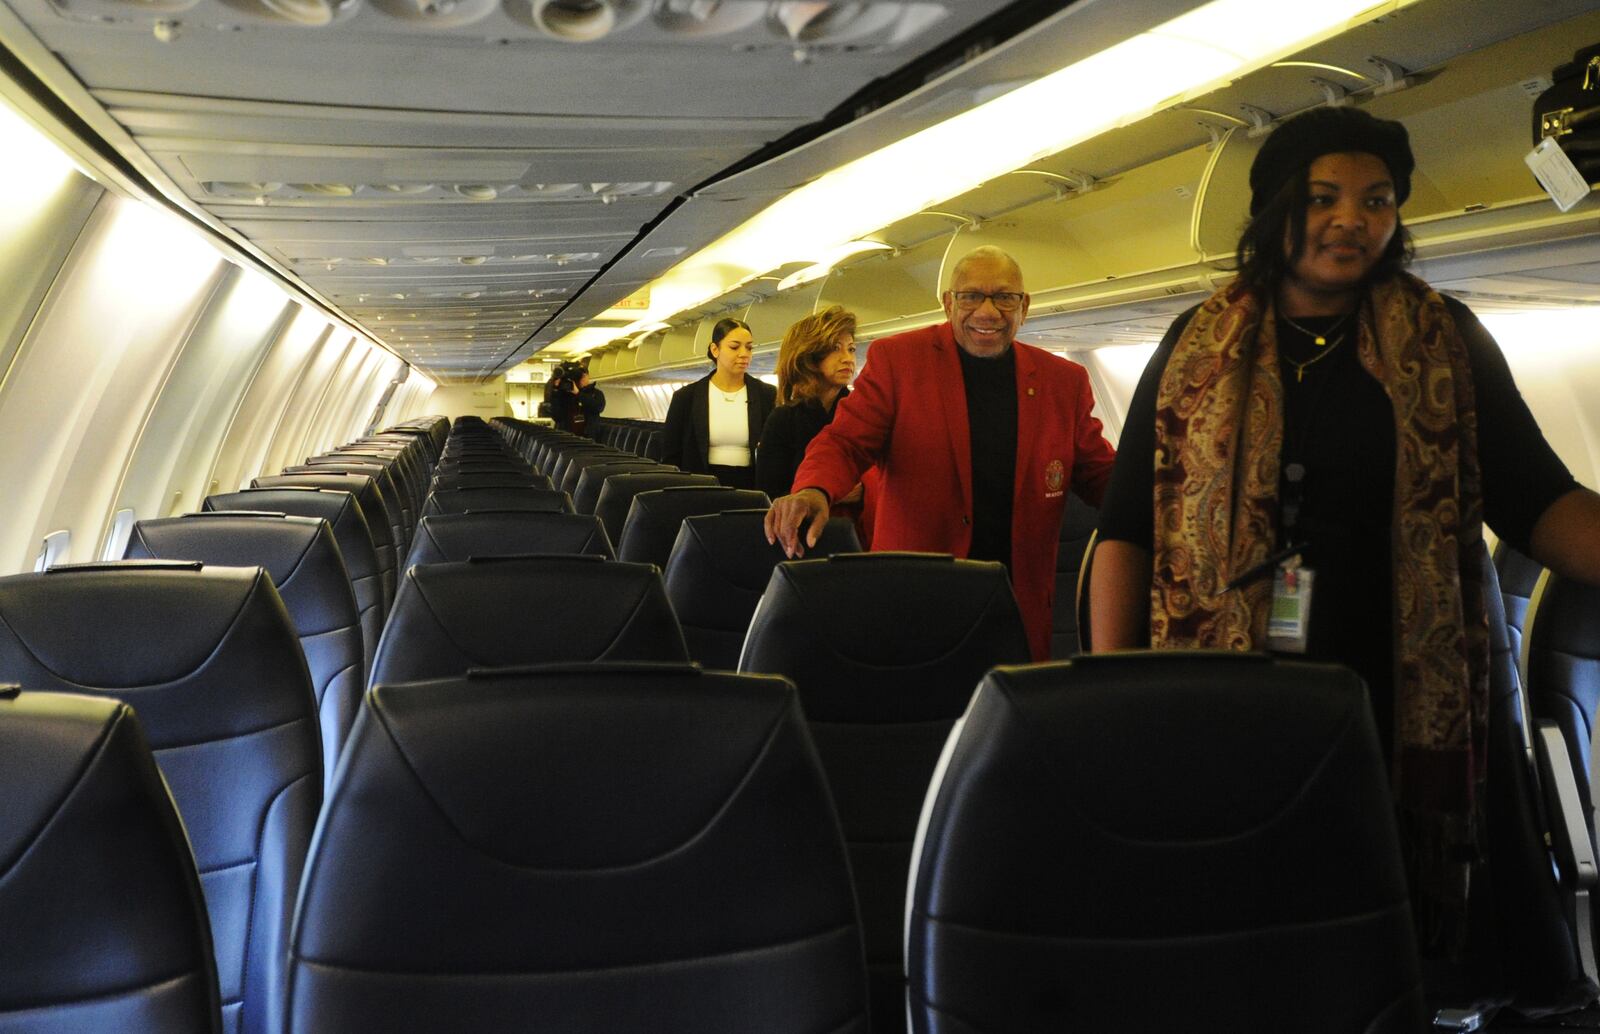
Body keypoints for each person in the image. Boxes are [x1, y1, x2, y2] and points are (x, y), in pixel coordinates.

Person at [1088, 105, 1600, 955]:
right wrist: (1108, 698)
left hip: (1395, 690)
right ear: (1276, 209)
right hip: (1227, 689)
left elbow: (1539, 504)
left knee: (1378, 925)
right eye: (1323, 197)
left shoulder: (1447, 340)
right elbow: (1126, 530)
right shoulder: (1193, 346)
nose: (1351, 220)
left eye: (1377, 200)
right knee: (1251, 926)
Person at [765, 245, 1118, 661]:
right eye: (971, 296)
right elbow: (844, 441)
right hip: (916, 594)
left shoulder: (1065, 381)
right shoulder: (899, 361)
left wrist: (1169, 500)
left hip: (1015, 603)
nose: (987, 312)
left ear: (1024, 306)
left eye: (1004, 297)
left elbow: (1100, 473)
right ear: (949, 303)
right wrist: (814, 490)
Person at [755, 305, 861, 501]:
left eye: (851, 349)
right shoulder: (784, 419)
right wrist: (830, 494)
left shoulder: (860, 413)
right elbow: (769, 494)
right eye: (835, 348)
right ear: (809, 357)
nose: (848, 359)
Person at [660, 317, 778, 489]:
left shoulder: (767, 395)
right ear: (715, 349)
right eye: (734, 347)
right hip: (700, 487)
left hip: (752, 488)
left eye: (749, 347)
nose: (744, 353)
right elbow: (670, 456)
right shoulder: (686, 397)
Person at [547, 361, 605, 436]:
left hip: (589, 437)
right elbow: (557, 417)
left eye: (584, 375)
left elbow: (598, 407)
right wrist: (556, 390)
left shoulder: (595, 393)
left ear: (587, 376)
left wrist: (578, 394)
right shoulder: (565, 394)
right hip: (567, 437)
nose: (582, 378)